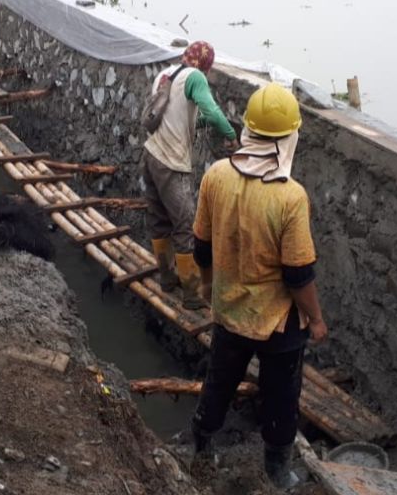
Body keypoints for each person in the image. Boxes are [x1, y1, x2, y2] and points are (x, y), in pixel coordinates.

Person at [189, 82, 327, 488]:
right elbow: (298, 275)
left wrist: (208, 285)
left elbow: (202, 245)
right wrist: (315, 320)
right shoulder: (289, 196)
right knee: (282, 396)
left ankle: (202, 446)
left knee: (220, 380)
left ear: (248, 130)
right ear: (289, 138)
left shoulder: (216, 175)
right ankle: (277, 470)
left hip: (229, 308)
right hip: (279, 322)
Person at [142, 40, 237, 307]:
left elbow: (180, 115)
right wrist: (230, 135)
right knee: (185, 227)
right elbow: (212, 111)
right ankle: (192, 296)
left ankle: (167, 278)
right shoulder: (195, 77)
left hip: (150, 156)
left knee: (159, 220)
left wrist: (203, 122)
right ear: (206, 65)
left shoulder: (166, 75)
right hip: (171, 163)